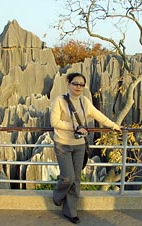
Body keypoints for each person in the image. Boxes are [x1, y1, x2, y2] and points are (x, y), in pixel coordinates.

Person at [50, 72, 122, 224]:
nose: (79, 87)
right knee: (67, 177)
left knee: (76, 179)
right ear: (68, 84)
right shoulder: (59, 100)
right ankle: (57, 197)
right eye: (75, 83)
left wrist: (115, 126)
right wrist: (75, 127)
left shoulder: (84, 101)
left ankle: (70, 212)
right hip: (62, 144)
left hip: (80, 145)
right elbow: (55, 122)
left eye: (82, 84)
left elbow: (99, 116)